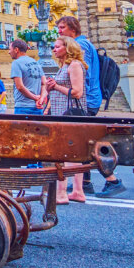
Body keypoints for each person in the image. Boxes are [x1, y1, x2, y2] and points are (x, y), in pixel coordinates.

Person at [56, 15, 121, 197]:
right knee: (82, 141)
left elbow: (80, 77)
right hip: (89, 98)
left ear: (73, 29)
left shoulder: (79, 46)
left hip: (85, 100)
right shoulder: (84, 44)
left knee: (85, 143)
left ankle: (112, 179)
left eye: (62, 28)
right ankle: (84, 183)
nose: (59, 31)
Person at [41, 36, 88, 204]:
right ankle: (77, 191)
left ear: (67, 48)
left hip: (70, 114)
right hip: (62, 113)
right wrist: (50, 90)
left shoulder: (75, 65)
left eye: (57, 47)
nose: (54, 50)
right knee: (73, 155)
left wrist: (56, 86)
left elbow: (77, 92)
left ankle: (61, 194)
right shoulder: (65, 66)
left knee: (64, 154)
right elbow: (60, 90)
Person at [8, 39, 43, 114]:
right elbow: (44, 83)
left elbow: (20, 86)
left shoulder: (16, 63)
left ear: (16, 49)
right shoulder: (36, 63)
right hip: (37, 107)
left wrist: (35, 98)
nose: (9, 52)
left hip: (23, 107)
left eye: (10, 49)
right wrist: (41, 99)